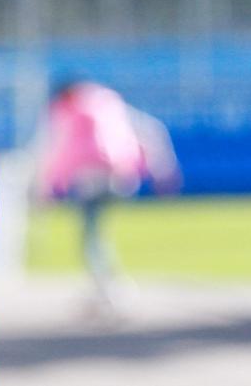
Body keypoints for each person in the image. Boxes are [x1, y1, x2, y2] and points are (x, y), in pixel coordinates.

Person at [37, 79, 180, 306]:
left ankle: (109, 288)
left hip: (91, 178)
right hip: (121, 176)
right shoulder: (108, 101)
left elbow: (59, 149)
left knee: (91, 235)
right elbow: (148, 131)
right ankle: (107, 285)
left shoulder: (68, 111)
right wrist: (161, 170)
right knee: (96, 233)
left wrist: (50, 186)